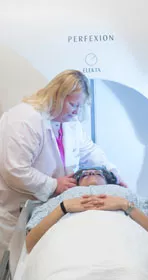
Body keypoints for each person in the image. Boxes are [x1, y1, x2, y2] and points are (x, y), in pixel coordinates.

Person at [0, 70, 125, 260]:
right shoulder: (24, 120)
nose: (76, 111)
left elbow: (88, 151)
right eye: (73, 104)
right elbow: (15, 170)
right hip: (16, 211)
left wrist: (113, 172)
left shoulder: (69, 121)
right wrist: (54, 185)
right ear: (57, 95)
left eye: (80, 106)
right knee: (15, 262)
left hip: (50, 209)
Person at [22, 167, 148, 280]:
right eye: (84, 174)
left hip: (120, 239)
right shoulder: (62, 198)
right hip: (69, 239)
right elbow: (30, 243)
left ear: (108, 180)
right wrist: (63, 207)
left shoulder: (124, 194)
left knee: (130, 270)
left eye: (97, 172)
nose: (90, 174)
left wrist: (124, 204)